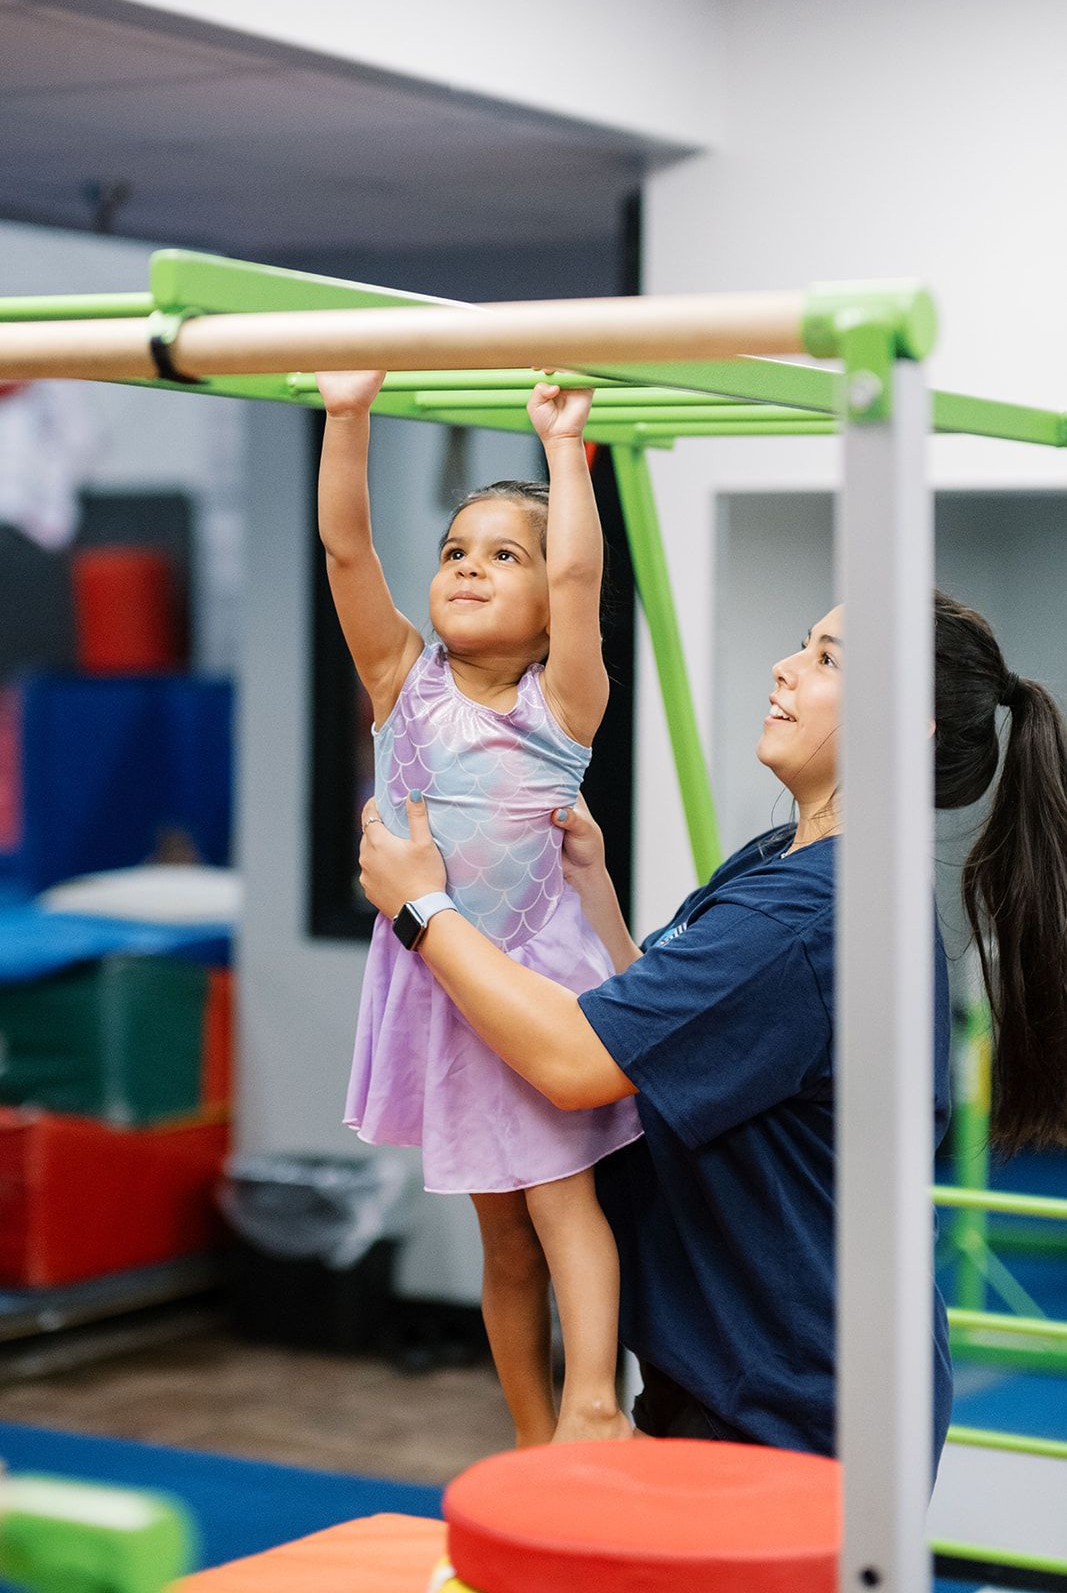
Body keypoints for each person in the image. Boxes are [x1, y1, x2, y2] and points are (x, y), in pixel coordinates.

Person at [357, 588, 1067, 1461]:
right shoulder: (789, 864)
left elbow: (577, 1063)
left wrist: (420, 909)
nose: (785, 666)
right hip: (740, 1379)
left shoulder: (811, 915)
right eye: (803, 644)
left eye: (828, 660)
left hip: (789, 1412)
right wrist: (599, 901)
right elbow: (655, 1033)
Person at [315, 368, 641, 1447]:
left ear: (549, 606)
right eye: (457, 549)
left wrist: (564, 447)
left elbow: (587, 572)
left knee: (559, 1204)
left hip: (536, 985)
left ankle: (594, 1401)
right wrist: (347, 417)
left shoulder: (562, 702)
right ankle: (529, 1435)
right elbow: (348, 552)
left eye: (506, 556)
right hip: (438, 987)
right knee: (499, 1238)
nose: (468, 566)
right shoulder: (401, 677)